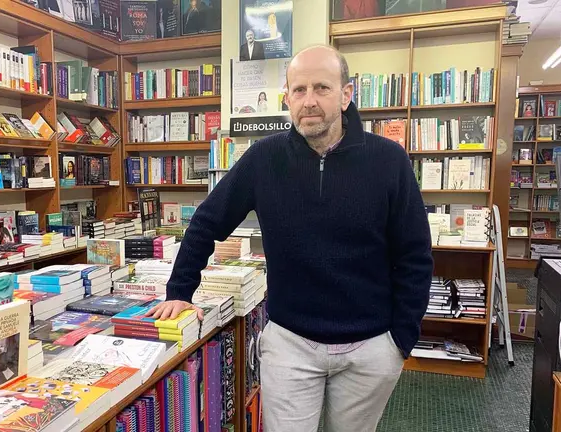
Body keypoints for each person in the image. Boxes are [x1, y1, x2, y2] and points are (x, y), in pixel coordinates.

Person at [146, 45, 433, 431]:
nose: (309, 101)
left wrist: (401, 340)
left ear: (347, 95)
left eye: (322, 88)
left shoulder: (389, 161)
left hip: (370, 350)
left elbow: (415, 255)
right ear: (287, 97)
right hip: (290, 345)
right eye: (299, 90)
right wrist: (180, 290)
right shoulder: (264, 158)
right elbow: (206, 221)